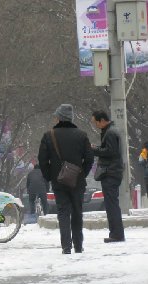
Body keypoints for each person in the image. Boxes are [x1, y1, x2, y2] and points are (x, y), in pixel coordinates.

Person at [38, 104, 94, 254]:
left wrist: (50, 176)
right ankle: (78, 245)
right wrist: (82, 173)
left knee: (63, 212)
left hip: (58, 181)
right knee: (77, 211)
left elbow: (42, 160)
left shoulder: (48, 135)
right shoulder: (82, 135)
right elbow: (89, 158)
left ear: (59, 118)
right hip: (78, 181)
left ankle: (66, 246)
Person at [91, 110, 125, 243]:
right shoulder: (110, 131)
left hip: (110, 173)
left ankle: (116, 234)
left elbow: (111, 152)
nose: (95, 125)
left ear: (102, 121)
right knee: (112, 204)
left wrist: (94, 150)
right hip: (112, 172)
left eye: (96, 122)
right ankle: (116, 233)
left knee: (111, 205)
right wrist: (98, 148)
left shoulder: (110, 133)